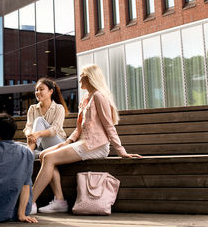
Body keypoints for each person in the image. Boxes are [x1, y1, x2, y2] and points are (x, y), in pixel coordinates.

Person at [30, 64, 142, 214]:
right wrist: (67, 142)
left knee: (49, 158)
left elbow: (109, 126)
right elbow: (78, 129)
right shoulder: (86, 98)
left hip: (96, 146)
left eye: (82, 74)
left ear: (90, 78)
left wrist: (121, 151)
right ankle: (59, 202)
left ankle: (29, 203)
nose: (80, 77)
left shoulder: (98, 96)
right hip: (83, 143)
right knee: (44, 155)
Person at [23, 78, 68, 156]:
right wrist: (30, 135)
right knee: (17, 149)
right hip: (41, 145)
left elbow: (54, 130)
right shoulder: (32, 108)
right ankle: (35, 152)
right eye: (36, 90)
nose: (38, 92)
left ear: (50, 91)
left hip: (57, 144)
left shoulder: (59, 108)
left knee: (39, 120)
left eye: (41, 89)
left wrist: (38, 134)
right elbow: (28, 127)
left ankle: (30, 149)